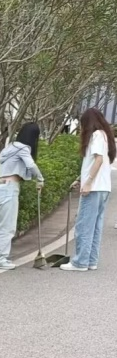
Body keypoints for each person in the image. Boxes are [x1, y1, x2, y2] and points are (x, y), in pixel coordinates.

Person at [61, 107, 116, 272]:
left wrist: (88, 182)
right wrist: (81, 179)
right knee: (95, 225)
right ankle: (91, 260)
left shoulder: (96, 135)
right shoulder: (105, 136)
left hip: (94, 188)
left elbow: (98, 160)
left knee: (84, 224)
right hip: (103, 188)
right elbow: (95, 162)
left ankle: (80, 262)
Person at [0, 122, 44, 270]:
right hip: (9, 189)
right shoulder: (23, 149)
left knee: (0, 226)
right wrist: (40, 179)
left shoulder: (11, 147)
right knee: (7, 227)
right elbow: (31, 165)